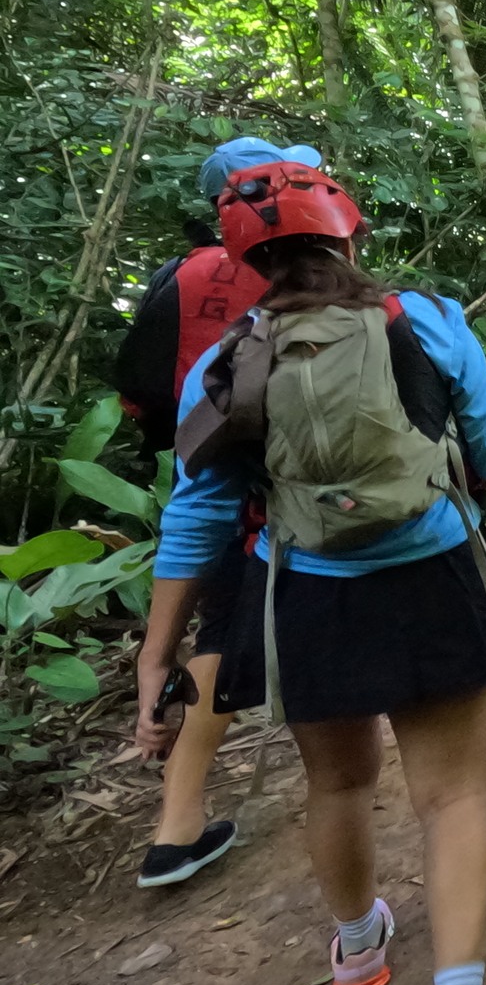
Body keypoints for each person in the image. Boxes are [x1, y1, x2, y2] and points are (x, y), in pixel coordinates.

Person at [136, 156, 486, 985]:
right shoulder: (425, 322)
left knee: (337, 780)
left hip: (303, 595)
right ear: (352, 231)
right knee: (454, 792)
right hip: (433, 578)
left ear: (245, 259)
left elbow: (198, 517)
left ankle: (355, 946)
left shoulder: (229, 367)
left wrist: (158, 655)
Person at [113, 138, 293, 889]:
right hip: (266, 483)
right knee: (228, 633)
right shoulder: (289, 271)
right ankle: (176, 825)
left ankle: (178, 823)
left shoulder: (177, 275)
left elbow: (138, 386)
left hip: (199, 469)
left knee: (224, 626)